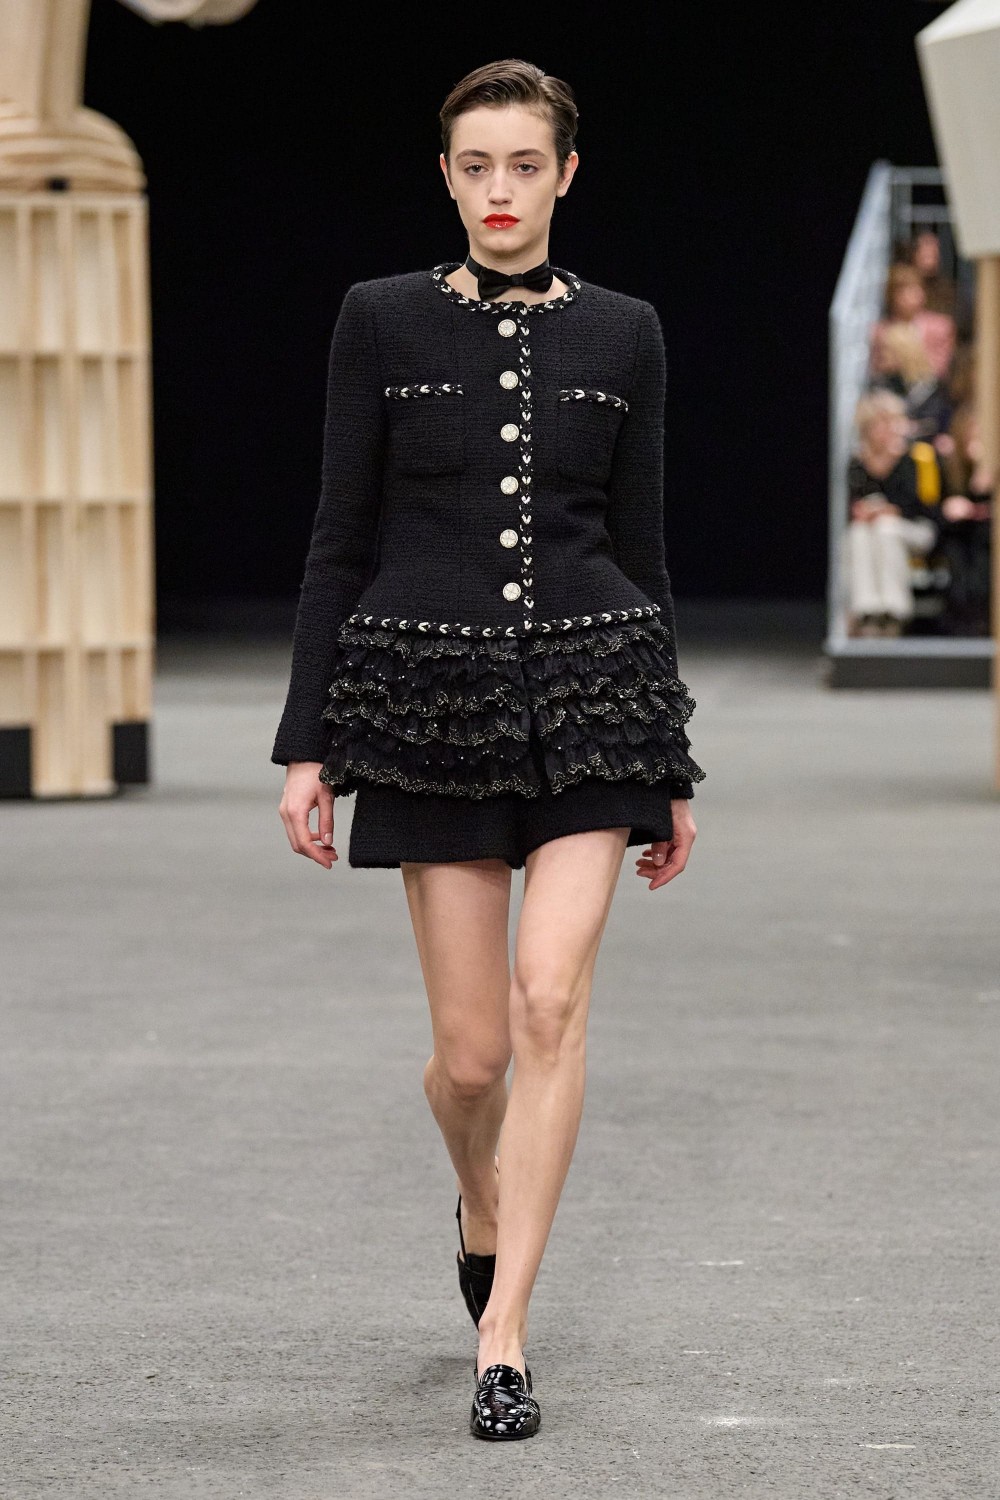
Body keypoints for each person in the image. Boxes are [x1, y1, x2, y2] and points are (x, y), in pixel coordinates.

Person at [270, 58, 706, 1441]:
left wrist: (668, 760)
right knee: (469, 1062)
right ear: (447, 176)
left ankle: (502, 1335)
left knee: (548, 1005)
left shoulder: (627, 331)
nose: (501, 191)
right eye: (477, 167)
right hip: (429, 705)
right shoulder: (380, 319)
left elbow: (642, 549)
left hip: (594, 697)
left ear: (566, 173)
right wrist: (307, 746)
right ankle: (478, 1200)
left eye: (525, 165)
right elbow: (339, 537)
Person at [844, 390, 942, 637]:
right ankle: (867, 609)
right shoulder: (858, 463)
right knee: (858, 533)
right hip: (874, 530)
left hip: (916, 529)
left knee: (885, 528)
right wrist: (863, 512)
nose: (886, 429)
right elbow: (852, 503)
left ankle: (893, 609)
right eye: (880, 423)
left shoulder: (917, 457)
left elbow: (926, 506)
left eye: (891, 421)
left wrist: (890, 511)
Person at [938, 403, 993, 636]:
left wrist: (982, 480)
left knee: (984, 553)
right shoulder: (948, 464)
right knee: (958, 555)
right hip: (957, 533)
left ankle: (983, 618)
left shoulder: (991, 466)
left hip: (986, 533)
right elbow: (940, 507)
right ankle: (962, 621)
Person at [870, 263, 956, 384]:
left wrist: (904, 360)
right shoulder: (879, 331)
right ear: (891, 295)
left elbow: (942, 368)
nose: (913, 295)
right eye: (904, 291)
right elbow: (877, 367)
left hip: (930, 389)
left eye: (916, 289)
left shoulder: (941, 326)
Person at [869, 321, 951, 443]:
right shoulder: (876, 387)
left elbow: (935, 426)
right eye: (877, 350)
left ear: (904, 352)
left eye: (885, 349)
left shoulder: (931, 390)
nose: (879, 356)